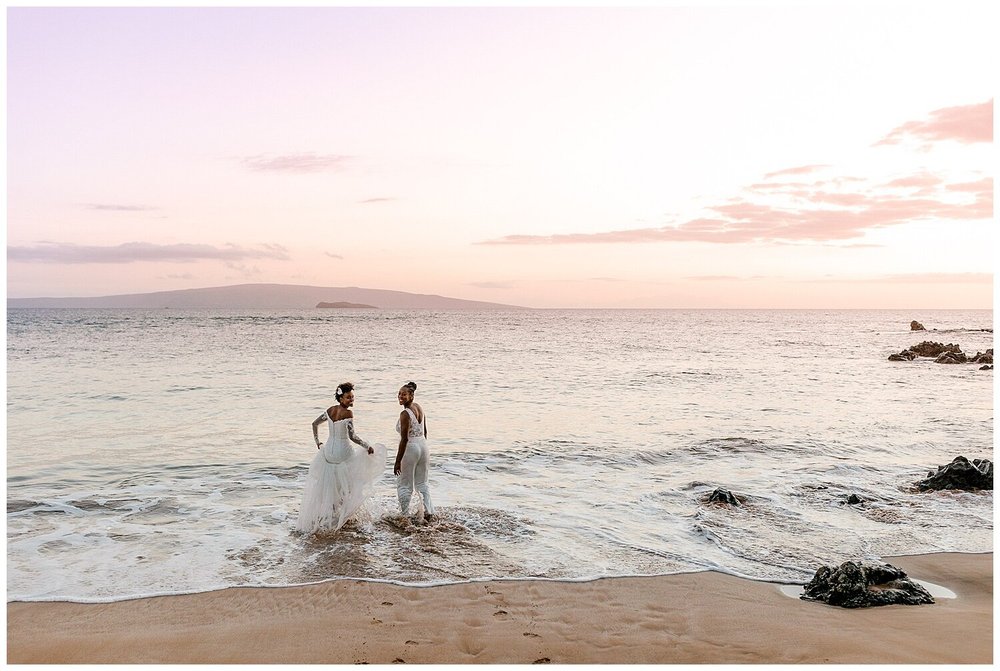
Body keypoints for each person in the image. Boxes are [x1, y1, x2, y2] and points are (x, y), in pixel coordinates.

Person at [296, 382, 386, 534]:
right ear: (340, 397)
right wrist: (367, 446)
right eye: (348, 398)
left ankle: (331, 515)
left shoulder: (330, 410)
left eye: (352, 397)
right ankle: (342, 516)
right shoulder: (348, 414)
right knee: (351, 483)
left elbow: (314, 424)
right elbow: (352, 437)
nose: (351, 400)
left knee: (331, 486)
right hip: (343, 453)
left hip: (328, 454)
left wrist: (318, 442)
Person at [394, 381, 435, 522]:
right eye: (399, 393)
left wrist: (397, 461)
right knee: (422, 483)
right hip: (423, 445)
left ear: (411, 396)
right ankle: (428, 512)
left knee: (404, 484)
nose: (400, 396)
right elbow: (425, 431)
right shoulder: (420, 408)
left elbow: (404, 439)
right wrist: (422, 446)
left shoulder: (405, 413)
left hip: (411, 447)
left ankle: (404, 515)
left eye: (404, 394)